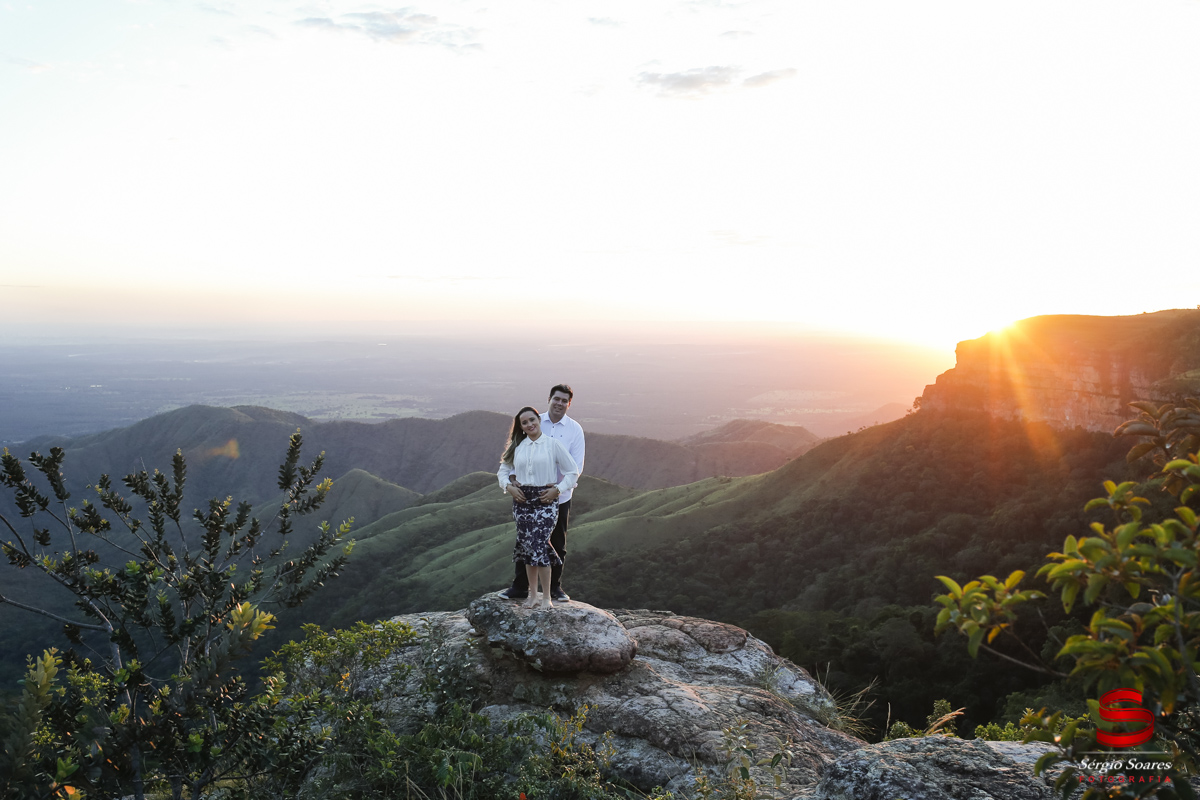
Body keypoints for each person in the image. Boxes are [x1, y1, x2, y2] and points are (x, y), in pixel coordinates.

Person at [499, 384, 585, 602]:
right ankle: (520, 587)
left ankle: (554, 589)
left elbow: (576, 466)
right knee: (525, 540)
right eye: (556, 398)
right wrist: (509, 482)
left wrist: (557, 489)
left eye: (564, 400)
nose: (559, 403)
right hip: (527, 497)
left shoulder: (575, 429)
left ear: (569, 404)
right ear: (549, 399)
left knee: (556, 542)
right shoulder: (534, 422)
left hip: (559, 496)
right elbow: (510, 461)